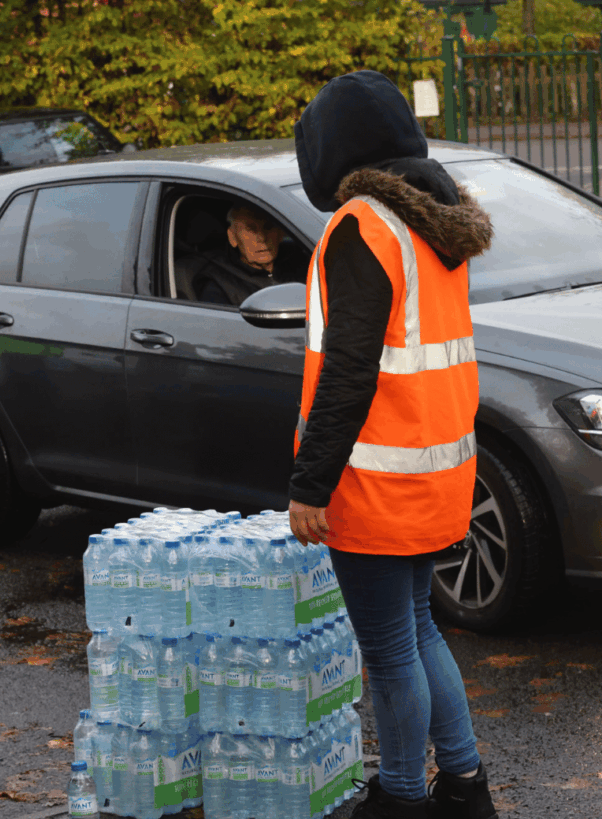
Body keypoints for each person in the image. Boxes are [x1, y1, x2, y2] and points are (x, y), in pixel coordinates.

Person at [288, 71, 498, 819]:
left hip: (377, 482)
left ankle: (403, 797)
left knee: (389, 648)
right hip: (437, 471)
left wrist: (311, 484)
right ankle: (466, 787)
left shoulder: (363, 227)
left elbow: (348, 371)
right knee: (416, 628)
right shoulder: (435, 226)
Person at [177, 204, 306, 304]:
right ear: (232, 238)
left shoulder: (303, 261)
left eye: (268, 227)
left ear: (280, 233)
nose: (261, 238)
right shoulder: (217, 283)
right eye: (250, 230)